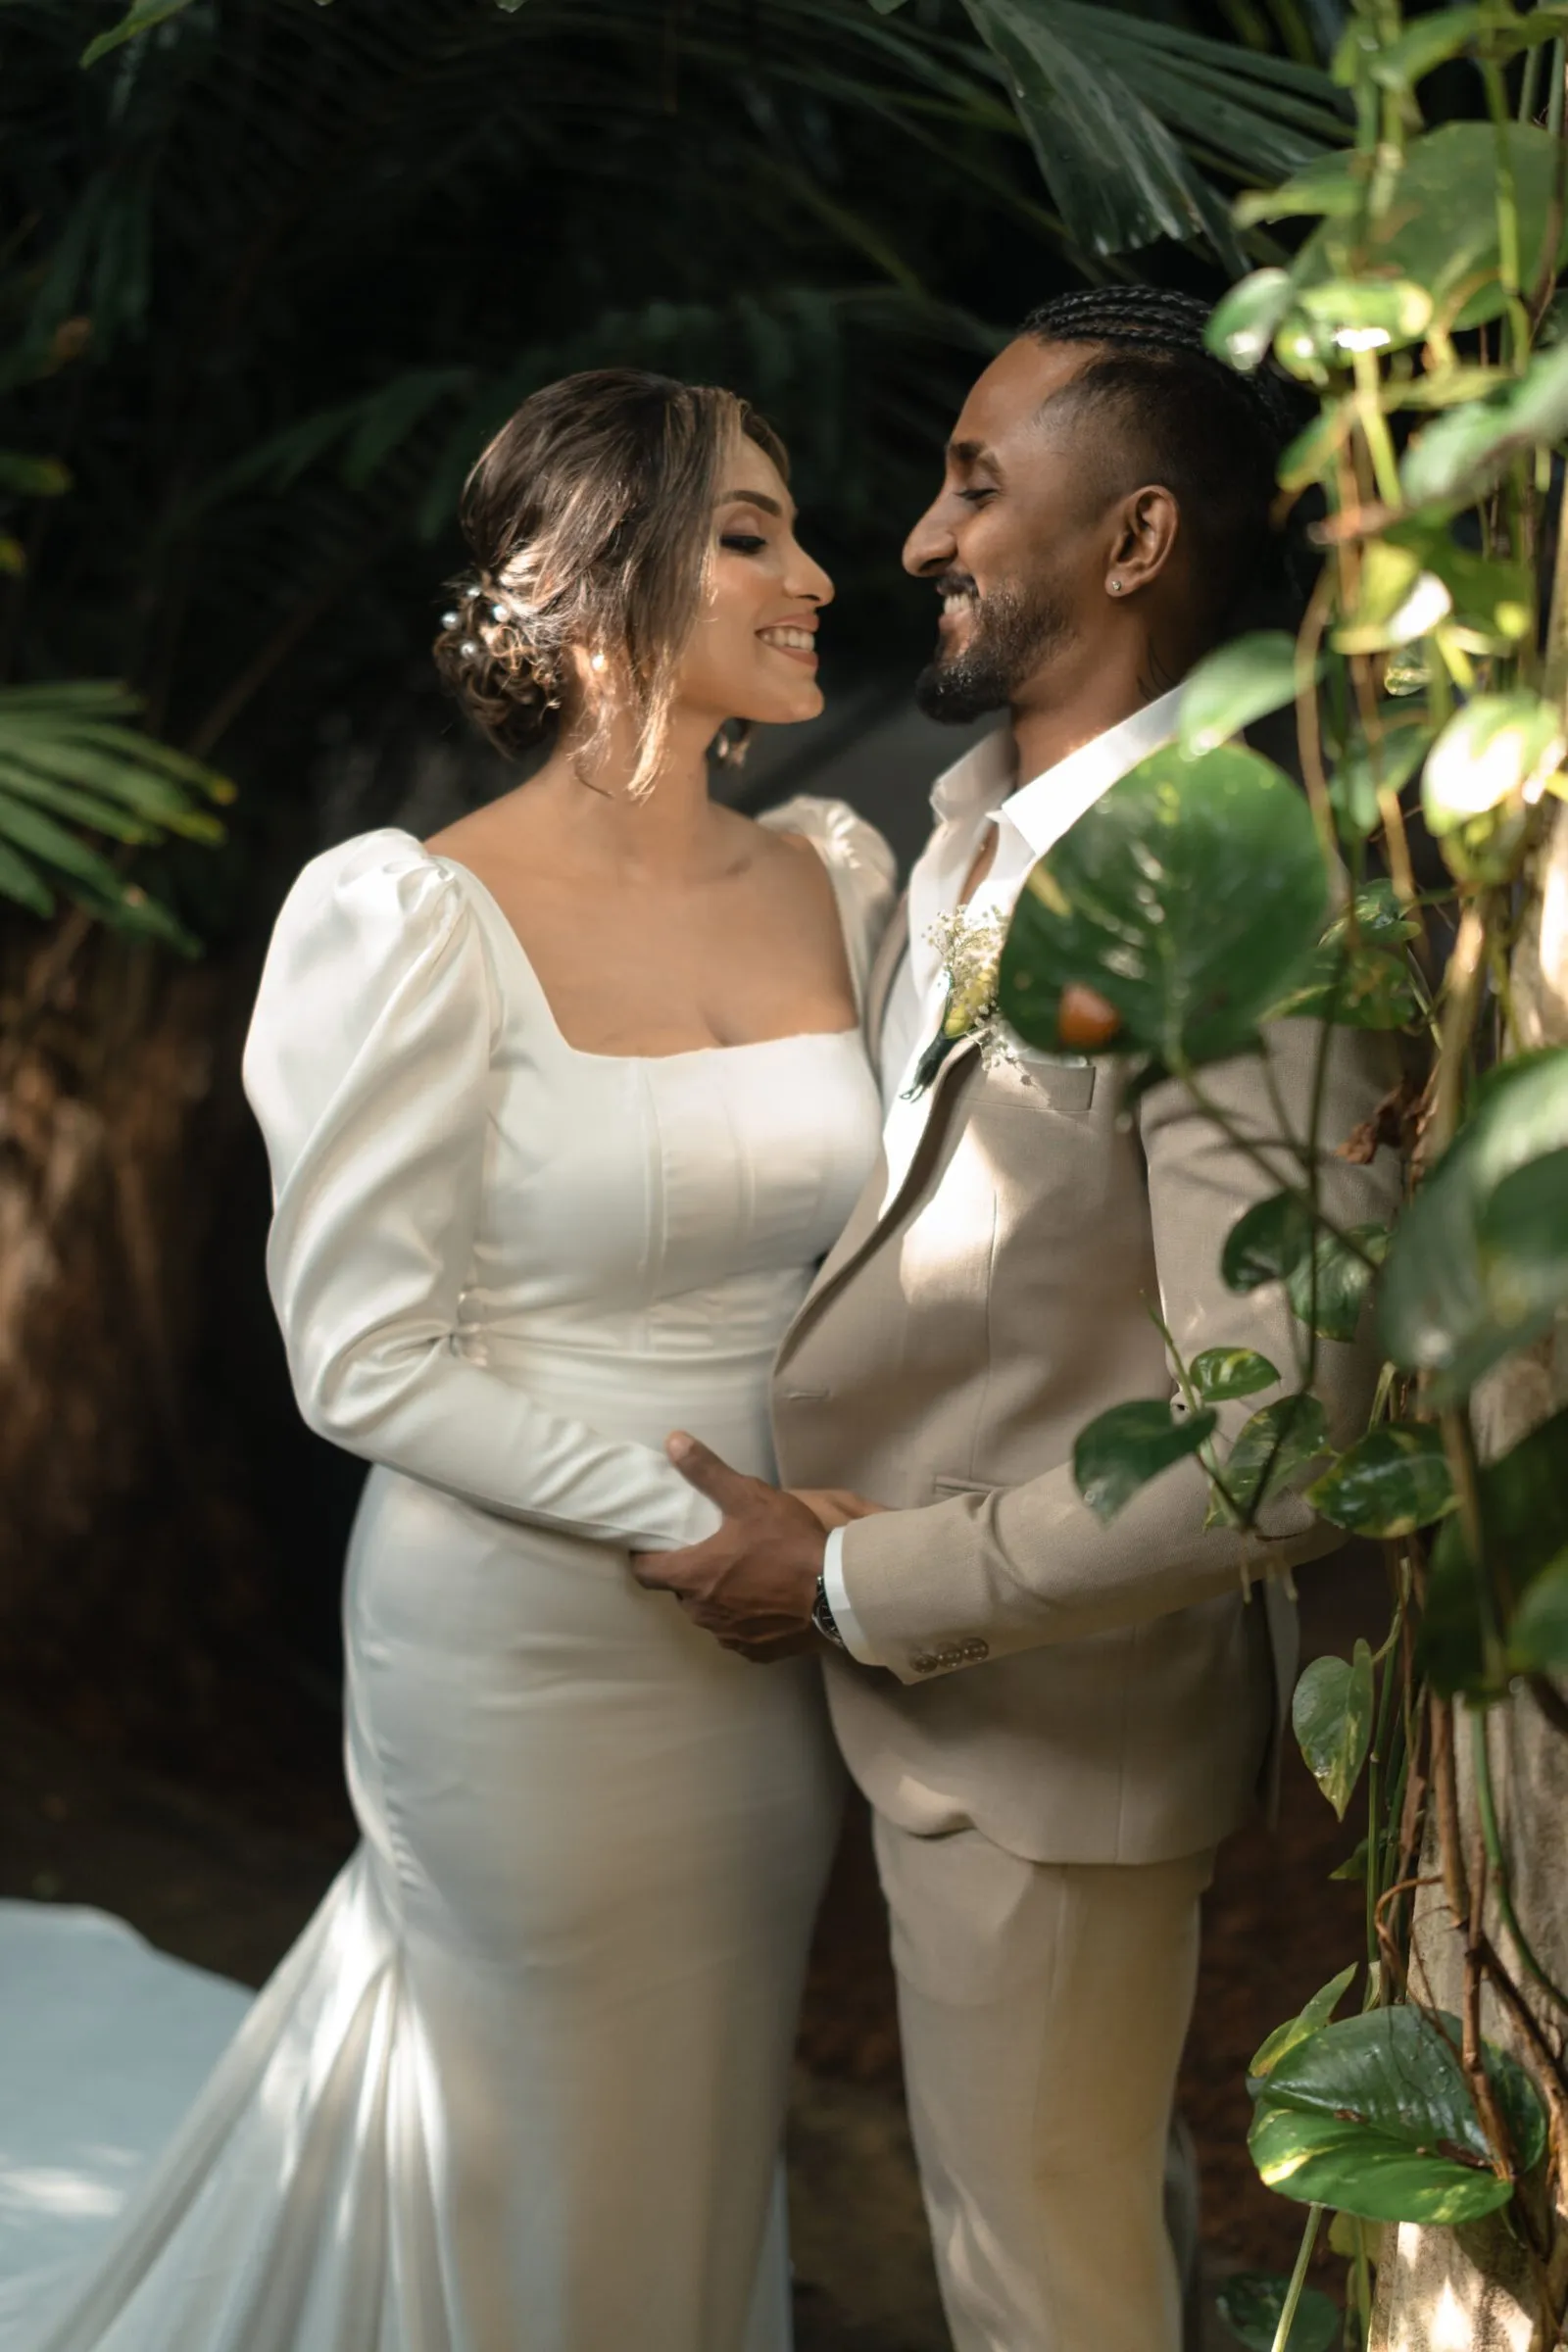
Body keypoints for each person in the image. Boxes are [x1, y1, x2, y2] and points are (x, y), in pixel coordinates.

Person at [6, 369, 894, 2352]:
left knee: (696, 2122)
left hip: (786, 1625)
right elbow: (362, 1352)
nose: (814, 572)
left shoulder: (841, 874)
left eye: (789, 523)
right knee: (538, 2141)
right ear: (590, 591)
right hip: (525, 1639)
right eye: (746, 531)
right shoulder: (404, 915)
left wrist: (843, 1542)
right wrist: (711, 1526)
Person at [633, 288, 1405, 2352]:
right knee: (1060, 2260)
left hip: (1045, 1742)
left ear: (1135, 542)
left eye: (976, 484)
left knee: (1043, 2298)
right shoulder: (954, 833)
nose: (912, 537)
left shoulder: (1239, 895)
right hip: (899, 1710)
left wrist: (860, 1574)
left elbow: (1272, 1445)